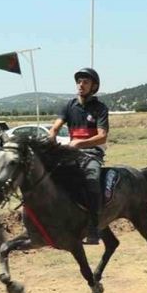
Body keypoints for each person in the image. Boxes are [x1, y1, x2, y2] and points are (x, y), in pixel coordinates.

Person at [48, 67, 109, 245]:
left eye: (85, 82)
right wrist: (51, 135)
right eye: (79, 81)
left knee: (92, 179)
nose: (81, 85)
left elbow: (102, 136)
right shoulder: (69, 105)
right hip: (72, 152)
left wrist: (78, 143)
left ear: (94, 86)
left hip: (92, 153)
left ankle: (93, 227)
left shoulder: (100, 108)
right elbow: (55, 127)